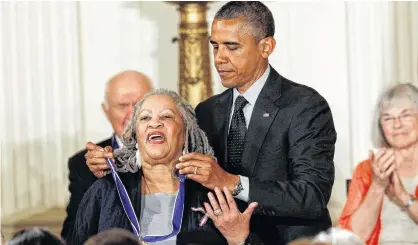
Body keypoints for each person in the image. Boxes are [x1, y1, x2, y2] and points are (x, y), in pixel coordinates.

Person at [84, 2, 337, 244]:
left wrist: (230, 182)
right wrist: (115, 163)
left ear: (266, 46)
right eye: (215, 46)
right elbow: (169, 163)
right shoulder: (207, 111)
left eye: (232, 47)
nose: (219, 58)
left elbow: (311, 196)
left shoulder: (304, 106)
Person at [65, 89, 258, 245]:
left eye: (166, 117)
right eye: (144, 118)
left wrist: (240, 240)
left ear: (185, 134)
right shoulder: (106, 191)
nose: (154, 123)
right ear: (135, 136)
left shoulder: (212, 195)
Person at [61, 70, 154, 238]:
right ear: (106, 111)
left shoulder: (180, 154)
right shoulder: (83, 164)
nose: (132, 114)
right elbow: (73, 235)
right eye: (122, 106)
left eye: (140, 104)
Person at [339, 83, 418, 245]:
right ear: (381, 126)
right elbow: (352, 238)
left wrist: (403, 196)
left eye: (406, 115)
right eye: (388, 118)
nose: (397, 125)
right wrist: (378, 184)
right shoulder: (366, 170)